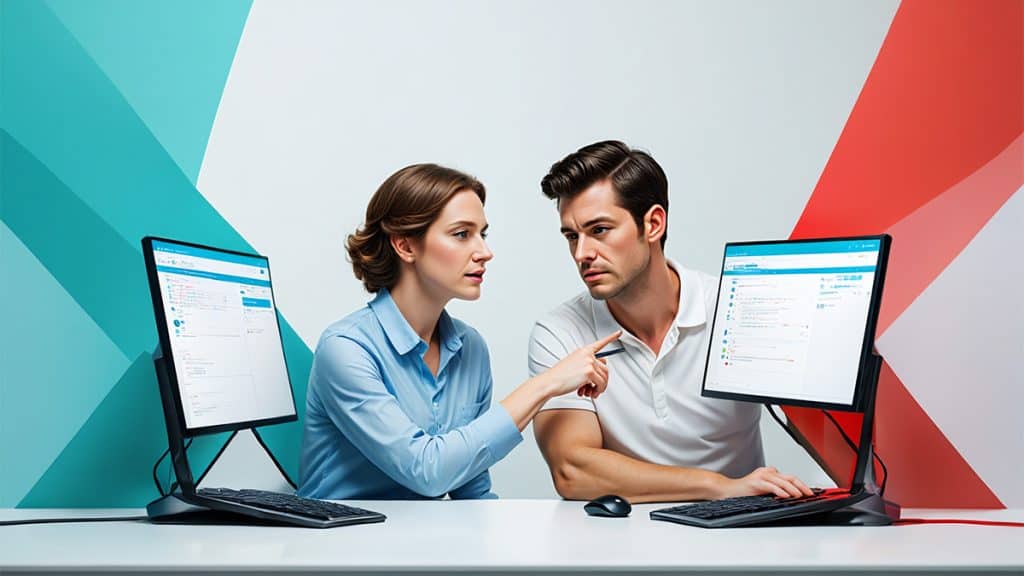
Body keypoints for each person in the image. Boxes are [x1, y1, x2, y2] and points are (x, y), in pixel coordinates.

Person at [298, 163, 620, 500]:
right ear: (405, 246)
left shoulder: (470, 348)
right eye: (462, 234)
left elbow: (472, 491)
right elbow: (427, 471)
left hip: (424, 544)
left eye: (483, 233)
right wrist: (547, 384)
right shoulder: (346, 349)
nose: (484, 252)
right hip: (339, 545)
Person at [530, 140, 814, 503]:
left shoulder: (734, 306)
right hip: (621, 538)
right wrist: (719, 487)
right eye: (572, 236)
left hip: (739, 537)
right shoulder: (560, 331)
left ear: (653, 223)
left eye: (599, 230)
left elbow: (824, 430)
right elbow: (573, 471)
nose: (582, 254)